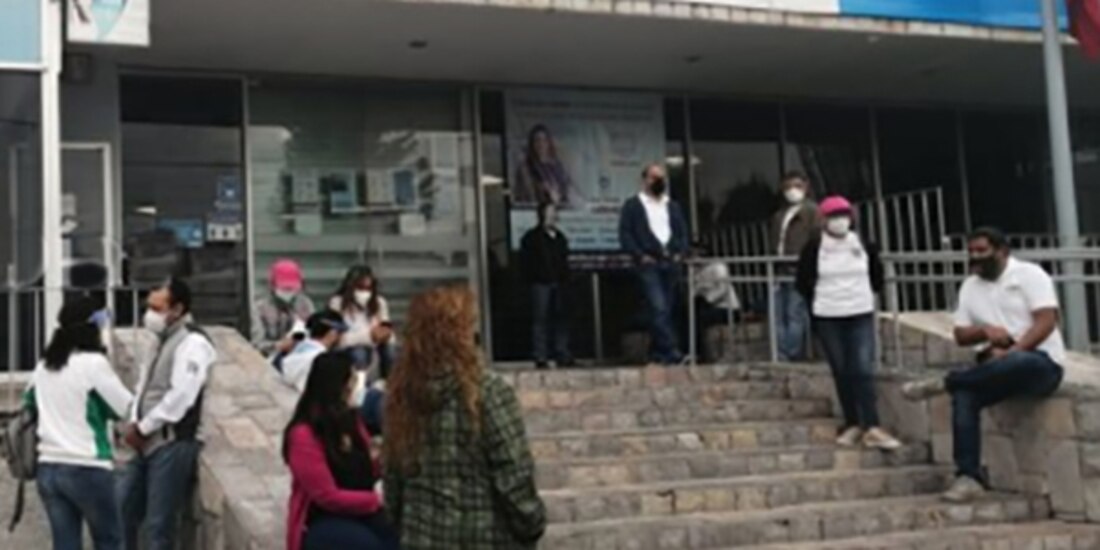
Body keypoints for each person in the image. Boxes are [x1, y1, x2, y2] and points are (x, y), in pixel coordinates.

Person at [902, 227, 1066, 503]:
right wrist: (985, 332)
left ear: (1001, 252)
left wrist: (1013, 351)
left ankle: (948, 381)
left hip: (1040, 363)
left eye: (982, 251)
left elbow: (1046, 321)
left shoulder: (1030, 275)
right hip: (994, 368)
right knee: (965, 395)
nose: (975, 257)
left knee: (1017, 361)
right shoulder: (970, 286)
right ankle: (968, 477)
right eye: (971, 252)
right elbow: (960, 335)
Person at [383, 286, 546, 549]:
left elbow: (393, 479)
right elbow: (513, 473)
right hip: (484, 537)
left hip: (421, 537)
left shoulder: (401, 395)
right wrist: (531, 524)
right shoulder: (488, 391)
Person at [24, 297, 133, 550]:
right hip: (87, 465)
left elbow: (28, 402)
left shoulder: (43, 366)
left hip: (49, 466)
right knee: (109, 541)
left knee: (65, 544)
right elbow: (124, 407)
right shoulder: (93, 364)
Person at [795, 196, 902, 451]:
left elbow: (876, 277)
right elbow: (803, 281)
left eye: (843, 215)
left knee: (862, 368)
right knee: (841, 369)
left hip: (860, 312)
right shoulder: (815, 247)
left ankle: (872, 425)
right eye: (833, 216)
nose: (839, 221)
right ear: (823, 220)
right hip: (828, 314)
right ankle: (852, 422)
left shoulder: (863, 244)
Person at [117, 278, 217, 550]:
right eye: (149, 307)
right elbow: (143, 384)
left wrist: (144, 427)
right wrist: (134, 420)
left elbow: (181, 396)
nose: (150, 314)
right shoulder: (158, 341)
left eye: (157, 308)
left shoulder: (193, 343)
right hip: (146, 441)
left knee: (159, 525)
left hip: (171, 442)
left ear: (177, 309)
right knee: (122, 508)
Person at [283, 351, 399, 550]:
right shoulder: (304, 435)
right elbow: (326, 496)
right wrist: (375, 500)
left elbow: (368, 464)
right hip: (325, 518)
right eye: (352, 380)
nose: (355, 387)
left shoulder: (351, 420)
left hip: (362, 509)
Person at [619, 163, 690, 365]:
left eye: (662, 178)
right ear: (645, 180)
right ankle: (672, 350)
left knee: (666, 308)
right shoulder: (633, 205)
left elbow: (682, 232)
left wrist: (680, 252)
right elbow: (625, 234)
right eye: (654, 177)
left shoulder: (672, 206)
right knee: (658, 306)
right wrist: (639, 255)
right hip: (649, 263)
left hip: (671, 262)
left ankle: (658, 353)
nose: (659, 182)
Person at [771, 171, 820, 361]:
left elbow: (816, 239)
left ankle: (789, 353)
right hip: (779, 269)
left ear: (806, 187)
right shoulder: (779, 215)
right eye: (788, 187)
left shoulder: (812, 212)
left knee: (794, 313)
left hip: (798, 268)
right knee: (778, 315)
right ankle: (784, 352)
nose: (792, 190)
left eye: (797, 186)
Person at [520, 201, 574, 369]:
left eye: (554, 212)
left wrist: (565, 279)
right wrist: (533, 277)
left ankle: (562, 353)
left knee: (561, 319)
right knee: (540, 319)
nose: (552, 216)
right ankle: (540, 355)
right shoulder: (532, 238)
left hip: (559, 283)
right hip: (540, 283)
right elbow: (526, 262)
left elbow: (564, 260)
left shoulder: (560, 237)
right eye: (549, 212)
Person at [329, 265, 395, 377]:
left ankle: (387, 381)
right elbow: (338, 336)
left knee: (390, 352)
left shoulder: (379, 302)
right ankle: (360, 385)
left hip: (374, 345)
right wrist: (368, 336)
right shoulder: (337, 302)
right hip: (349, 345)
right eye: (360, 286)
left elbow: (385, 325)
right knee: (360, 354)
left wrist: (385, 335)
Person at [251, 259, 315, 367]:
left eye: (292, 288)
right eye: (284, 288)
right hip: (270, 362)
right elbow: (256, 344)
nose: (288, 292)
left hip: (302, 360)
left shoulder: (305, 304)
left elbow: (315, 335)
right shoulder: (260, 307)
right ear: (272, 285)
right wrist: (278, 345)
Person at [693, 243, 741, 363]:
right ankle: (698, 353)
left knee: (701, 318)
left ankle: (706, 354)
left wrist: (707, 299)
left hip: (727, 308)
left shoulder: (718, 267)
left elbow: (723, 289)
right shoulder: (696, 271)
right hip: (709, 306)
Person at [281, 310, 349, 393]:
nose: (343, 337)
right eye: (341, 333)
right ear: (332, 334)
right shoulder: (324, 361)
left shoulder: (295, 350)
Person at [513, 124, 580, 208]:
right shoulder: (525, 167)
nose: (541, 144)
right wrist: (541, 189)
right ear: (532, 144)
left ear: (548, 143)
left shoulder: (557, 166)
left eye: (544, 140)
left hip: (560, 208)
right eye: (537, 140)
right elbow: (524, 193)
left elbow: (568, 188)